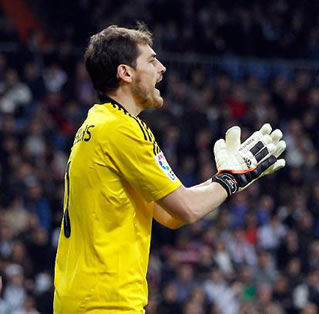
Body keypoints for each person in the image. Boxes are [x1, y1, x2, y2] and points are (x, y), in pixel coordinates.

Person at [53, 24, 286, 313]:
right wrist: (233, 178)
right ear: (125, 73)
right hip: (105, 303)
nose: (161, 68)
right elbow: (187, 208)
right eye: (151, 61)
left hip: (86, 300)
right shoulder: (120, 130)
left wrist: (226, 177)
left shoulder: (100, 125)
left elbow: (171, 213)